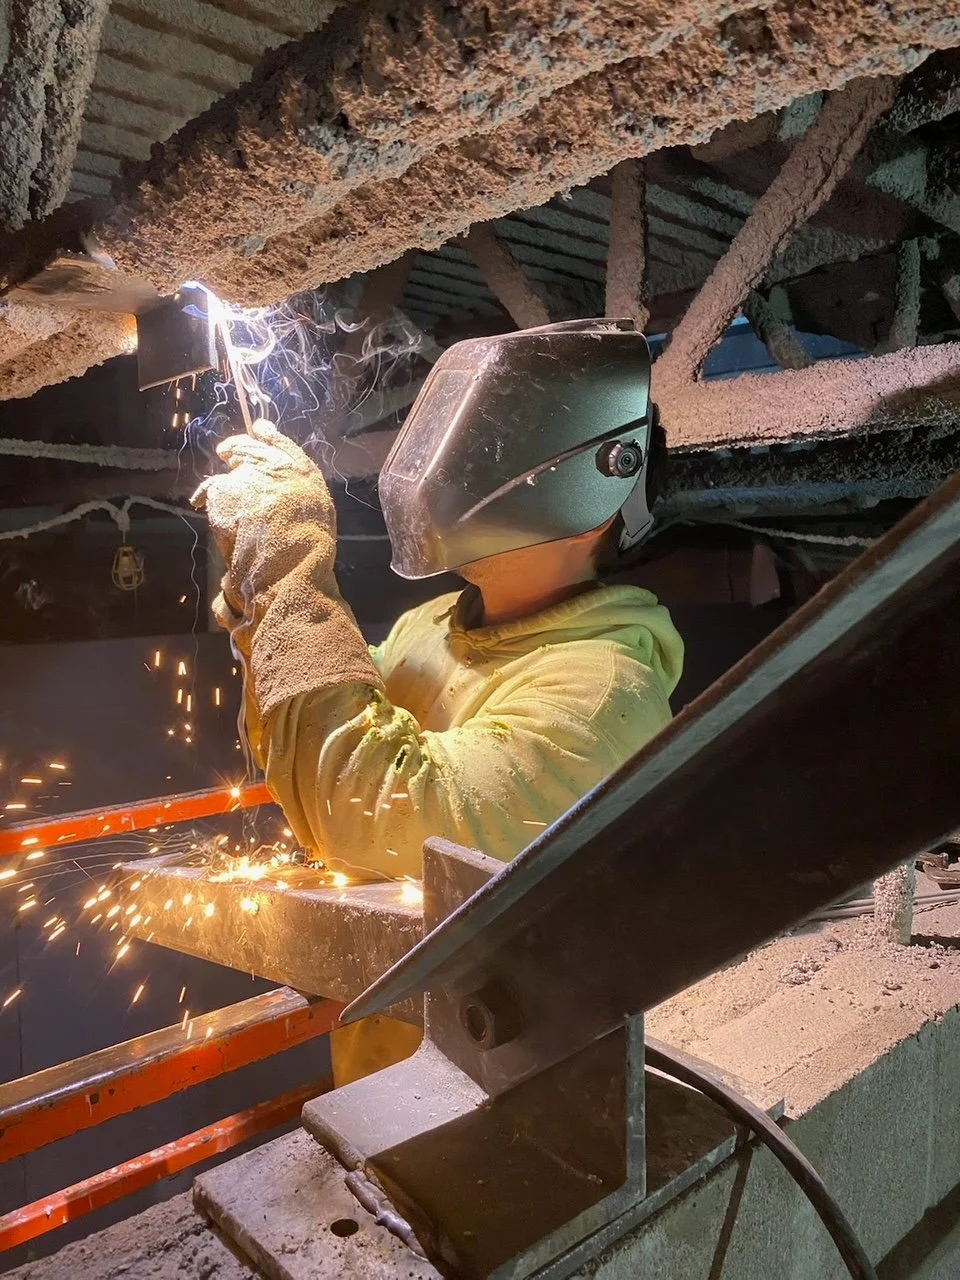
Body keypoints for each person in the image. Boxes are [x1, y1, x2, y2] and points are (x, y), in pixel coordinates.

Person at [194, 318, 684, 1083]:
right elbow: (309, 738)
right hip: (386, 1075)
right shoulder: (436, 626)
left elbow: (368, 813)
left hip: (497, 1119)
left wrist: (289, 567)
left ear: (602, 473)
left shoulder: (602, 697)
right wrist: (266, 603)